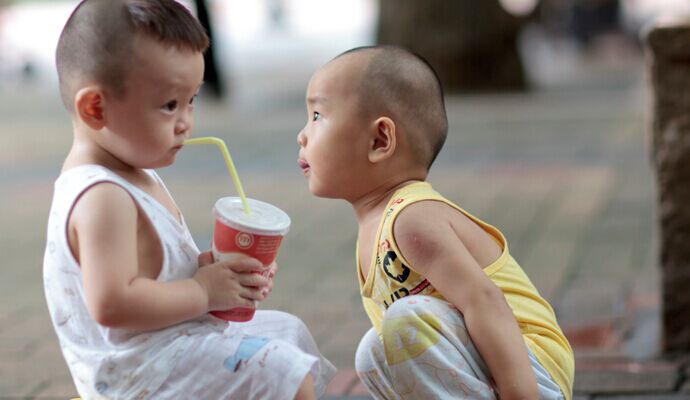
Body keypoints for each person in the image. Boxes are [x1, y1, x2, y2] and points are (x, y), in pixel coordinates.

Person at [43, 1, 335, 399]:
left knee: (287, 332)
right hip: (139, 373)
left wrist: (218, 274)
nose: (186, 121)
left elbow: (152, 275)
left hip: (167, 345)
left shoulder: (134, 173)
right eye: (169, 105)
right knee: (280, 371)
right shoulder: (102, 196)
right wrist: (203, 292)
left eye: (191, 99)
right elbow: (112, 303)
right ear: (96, 108)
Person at [296, 45, 574, 399]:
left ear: (380, 140)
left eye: (317, 115)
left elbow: (484, 302)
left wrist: (522, 394)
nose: (302, 135)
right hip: (487, 365)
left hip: (530, 366)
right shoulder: (378, 226)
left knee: (404, 322)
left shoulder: (411, 218)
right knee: (372, 350)